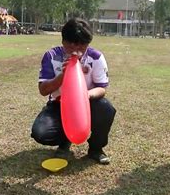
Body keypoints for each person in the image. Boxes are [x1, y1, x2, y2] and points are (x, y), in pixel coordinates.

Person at [31, 18, 117, 164]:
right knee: (41, 133)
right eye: (71, 46)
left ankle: (96, 148)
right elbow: (43, 90)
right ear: (64, 41)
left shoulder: (95, 57)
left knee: (106, 109)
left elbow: (102, 88)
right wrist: (63, 76)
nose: (76, 51)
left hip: (87, 104)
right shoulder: (51, 56)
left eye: (82, 46)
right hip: (59, 105)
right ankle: (65, 142)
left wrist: (85, 96)